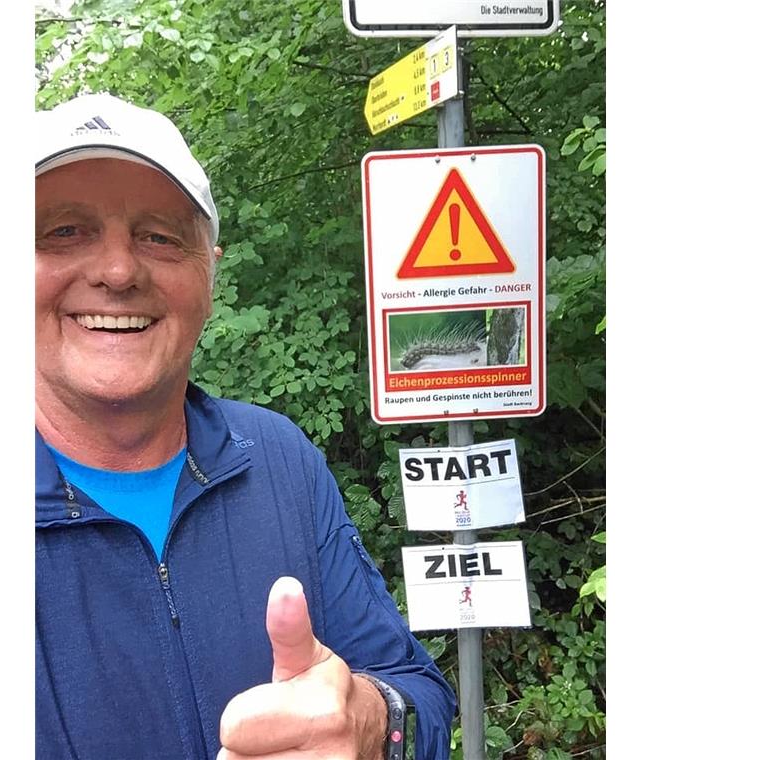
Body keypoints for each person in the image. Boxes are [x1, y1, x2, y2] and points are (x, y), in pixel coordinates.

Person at [35, 92, 455, 760]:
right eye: (63, 231)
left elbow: (418, 694)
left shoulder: (276, 458)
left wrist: (372, 722)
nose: (118, 271)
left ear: (210, 273)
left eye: (159, 236)